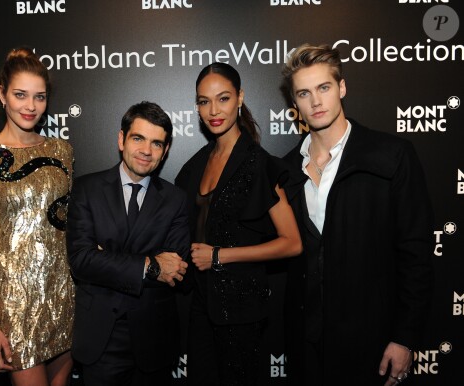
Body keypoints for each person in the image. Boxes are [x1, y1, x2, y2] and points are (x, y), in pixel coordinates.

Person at [280, 43, 435, 386]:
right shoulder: (286, 171)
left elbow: (416, 255)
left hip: (371, 344)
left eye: (324, 88)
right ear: (295, 105)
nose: (316, 102)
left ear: (342, 88)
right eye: (304, 93)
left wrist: (404, 336)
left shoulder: (391, 155)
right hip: (305, 347)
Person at [174, 62, 303, 386]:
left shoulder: (258, 164)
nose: (213, 110)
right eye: (204, 101)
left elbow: (292, 242)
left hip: (241, 311)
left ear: (240, 98)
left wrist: (219, 255)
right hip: (201, 306)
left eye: (223, 98)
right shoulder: (195, 166)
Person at [0, 46, 75, 386]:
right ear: (2, 94)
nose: (30, 106)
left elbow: (69, 227)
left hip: (64, 296)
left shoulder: (62, 151)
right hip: (13, 307)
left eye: (39, 97)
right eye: (20, 95)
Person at [66, 101, 190, 386]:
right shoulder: (87, 189)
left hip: (154, 338)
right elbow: (82, 261)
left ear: (166, 150)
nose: (147, 151)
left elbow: (176, 269)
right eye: (138, 138)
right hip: (101, 338)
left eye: (157, 143)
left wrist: (107, 257)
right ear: (121, 139)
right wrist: (150, 264)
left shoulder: (175, 199)